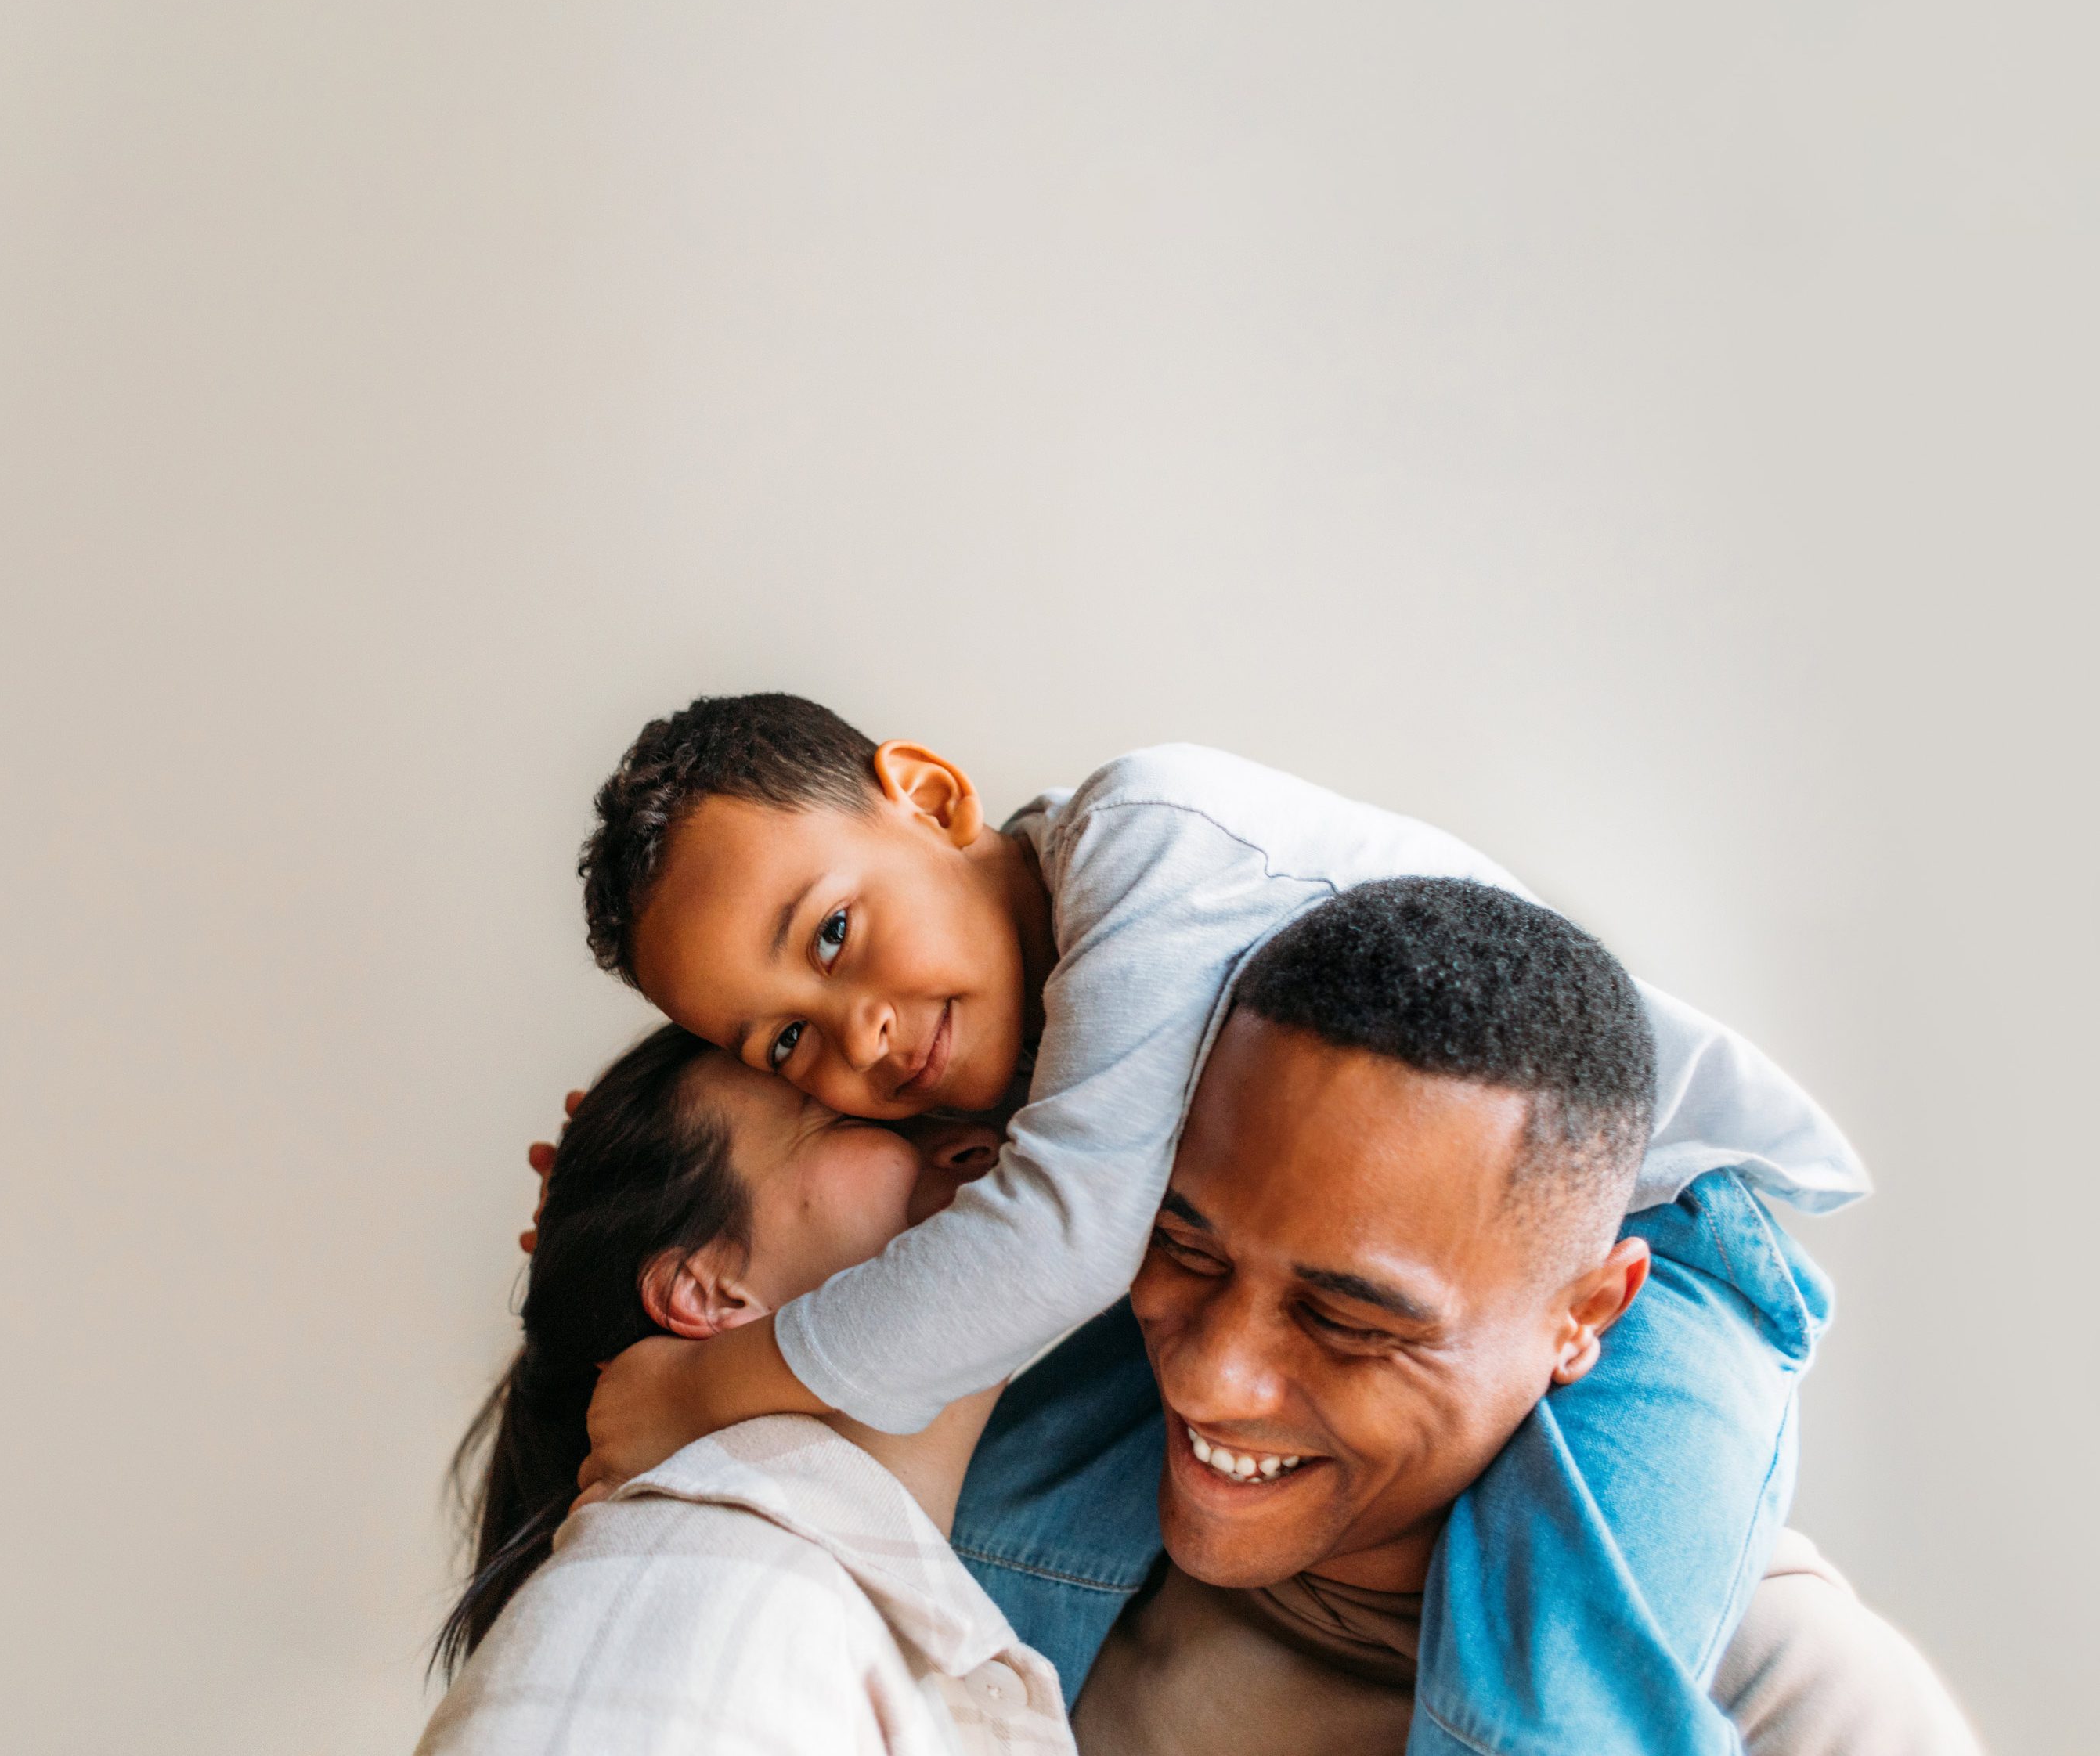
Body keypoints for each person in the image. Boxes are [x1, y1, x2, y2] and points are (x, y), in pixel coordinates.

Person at [564, 692, 1867, 1749]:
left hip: (1661, 1231)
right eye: (784, 1043)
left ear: (932, 794)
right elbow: (964, 1221)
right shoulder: (979, 1028)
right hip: (1287, 1274)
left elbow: (1051, 1240)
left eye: (835, 934)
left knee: (1552, 1696)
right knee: (989, 1525)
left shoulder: (1151, 850)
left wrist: (705, 1385)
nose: (862, 1034)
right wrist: (612, 1192)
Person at [1070, 878, 1979, 1754]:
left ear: (1586, 1315)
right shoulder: (1040, 1514)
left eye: (1347, 1321)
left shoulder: (1793, 1700)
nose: (1209, 1380)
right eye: (1186, 1251)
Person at [420, 1025, 1073, 1755]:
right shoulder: (694, 1597)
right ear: (709, 1290)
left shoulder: (822, 1604)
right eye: (847, 1119)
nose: (985, 1138)